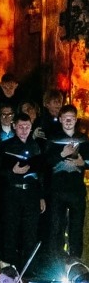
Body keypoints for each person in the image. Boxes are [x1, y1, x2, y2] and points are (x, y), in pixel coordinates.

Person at [0, 112, 45, 268]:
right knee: (10, 232)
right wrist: (12, 171)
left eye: (27, 127)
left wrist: (41, 197)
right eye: (21, 127)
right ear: (14, 127)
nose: (24, 130)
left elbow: (41, 174)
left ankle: (28, 269)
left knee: (30, 233)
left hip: (31, 193)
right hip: (12, 193)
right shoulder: (5, 145)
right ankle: (9, 268)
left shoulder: (36, 146)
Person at [45, 104, 89, 260]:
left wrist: (83, 163)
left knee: (76, 228)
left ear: (76, 120)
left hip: (76, 190)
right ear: (60, 119)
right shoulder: (53, 139)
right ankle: (56, 261)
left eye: (71, 118)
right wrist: (61, 154)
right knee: (56, 227)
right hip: (57, 191)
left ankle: (75, 261)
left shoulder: (83, 139)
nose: (69, 121)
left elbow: (88, 160)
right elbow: (45, 162)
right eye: (66, 118)